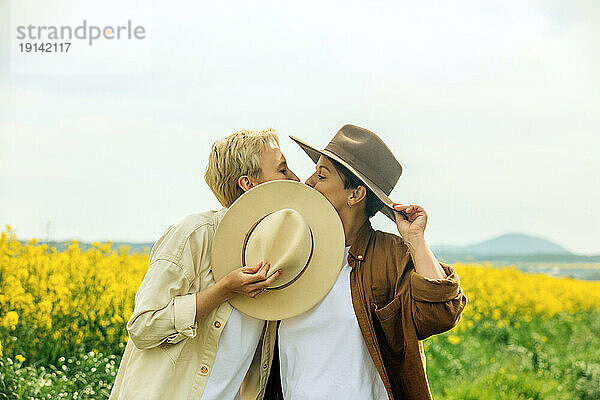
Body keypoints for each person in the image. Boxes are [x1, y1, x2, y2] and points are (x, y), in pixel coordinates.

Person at [268, 125, 467, 400]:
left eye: (322, 176)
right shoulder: (291, 250)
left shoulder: (391, 255)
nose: (308, 182)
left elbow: (440, 315)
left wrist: (415, 239)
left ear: (355, 194)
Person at [109, 129, 300, 400]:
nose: (295, 178)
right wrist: (223, 290)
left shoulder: (279, 255)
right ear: (249, 184)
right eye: (283, 170)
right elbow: (143, 327)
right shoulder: (193, 235)